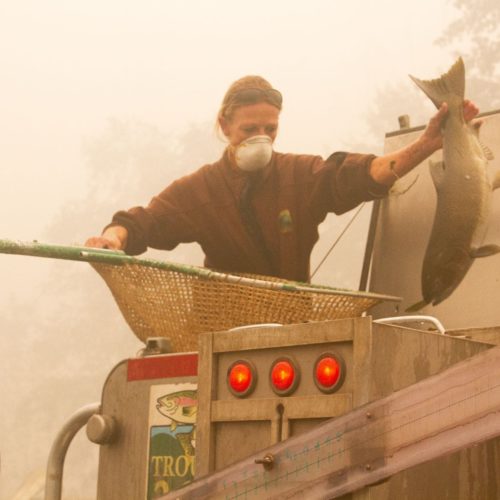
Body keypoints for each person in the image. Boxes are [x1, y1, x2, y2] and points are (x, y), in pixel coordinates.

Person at [85, 75, 479, 283]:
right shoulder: (200, 190)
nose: (261, 137)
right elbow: (142, 222)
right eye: (249, 129)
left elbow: (358, 174)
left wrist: (428, 144)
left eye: (270, 129)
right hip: (225, 335)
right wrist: (112, 238)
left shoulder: (300, 175)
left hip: (294, 332)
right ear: (224, 125)